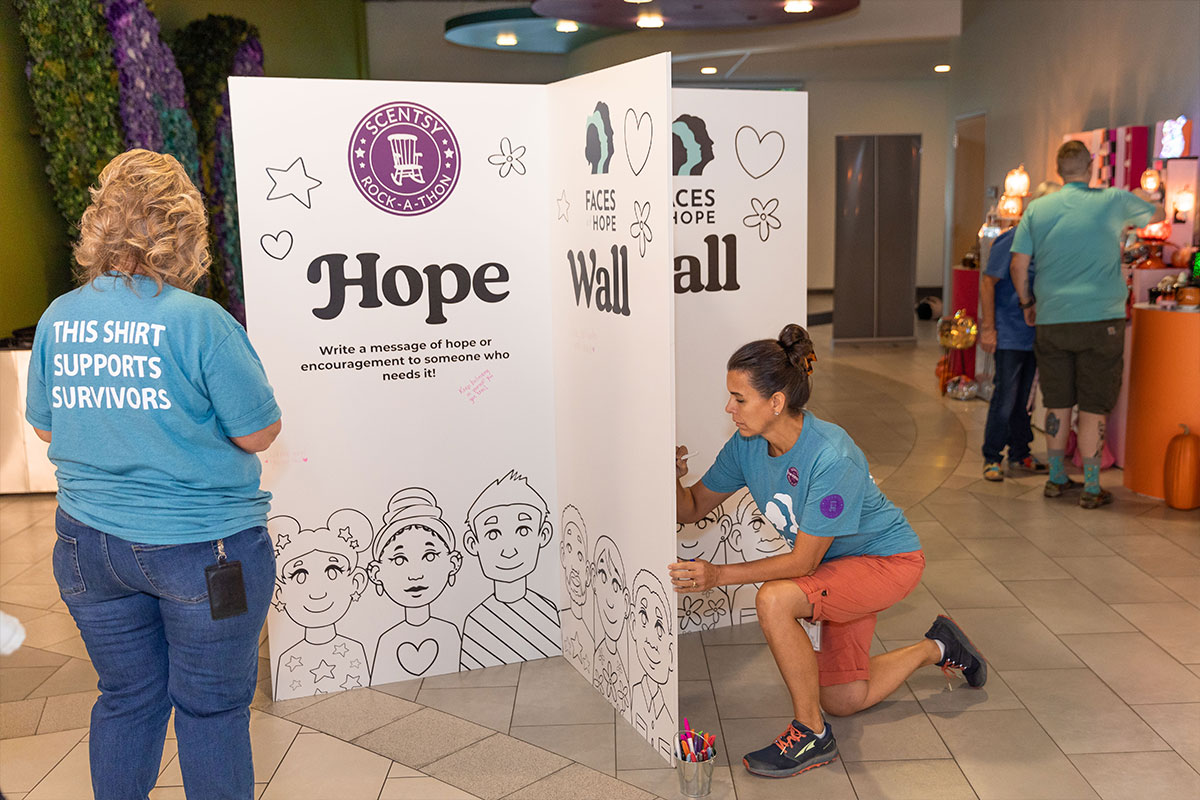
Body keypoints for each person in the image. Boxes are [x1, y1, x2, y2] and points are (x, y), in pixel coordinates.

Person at [25, 149, 282, 800]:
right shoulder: (201, 324)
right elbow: (257, 431)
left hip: (89, 549)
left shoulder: (60, 317)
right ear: (183, 230)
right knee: (212, 710)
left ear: (101, 223)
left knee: (128, 698)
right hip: (202, 548)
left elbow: (47, 428)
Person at [670, 324, 986, 780]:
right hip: (838, 569)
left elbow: (802, 564)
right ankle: (939, 645)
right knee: (843, 699)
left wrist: (717, 575)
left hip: (886, 563)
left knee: (774, 598)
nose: (729, 408)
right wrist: (669, 473)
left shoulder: (831, 456)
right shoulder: (745, 446)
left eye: (740, 398)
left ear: (775, 402)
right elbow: (692, 507)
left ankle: (811, 735)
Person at [1010, 140, 1164, 508]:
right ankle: (1092, 486)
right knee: (1095, 403)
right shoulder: (1113, 200)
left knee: (1058, 401)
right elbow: (1156, 214)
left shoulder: (1038, 209)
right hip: (1101, 320)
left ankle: (1056, 477)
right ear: (1092, 165)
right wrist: (1146, 198)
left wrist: (1027, 302)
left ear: (1059, 170)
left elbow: (1018, 265)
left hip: (1053, 318)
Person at [978, 181, 1061, 481]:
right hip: (1010, 333)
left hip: (1035, 336)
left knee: (1024, 398)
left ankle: (1020, 453)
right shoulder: (1011, 240)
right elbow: (988, 283)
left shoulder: (1050, 244)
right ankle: (992, 456)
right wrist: (989, 329)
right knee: (1006, 397)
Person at [459, 470, 559, 669]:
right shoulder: (477, 622)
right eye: (493, 533)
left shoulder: (547, 611)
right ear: (472, 543)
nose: (509, 550)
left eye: (523, 530)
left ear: (543, 534)